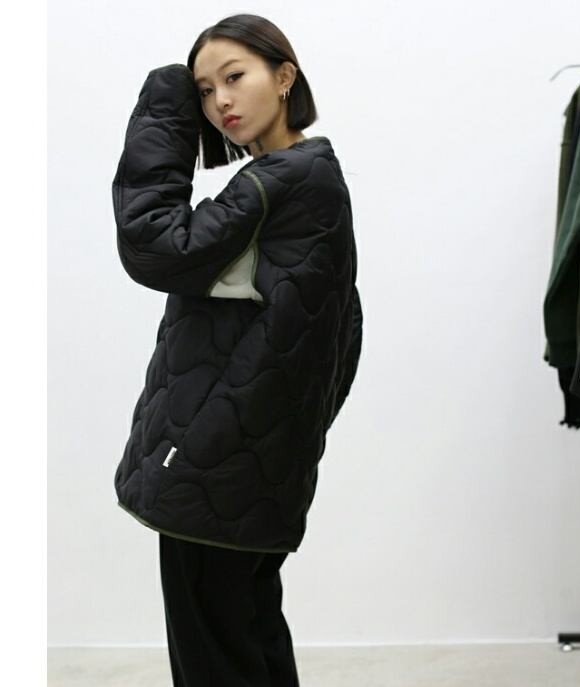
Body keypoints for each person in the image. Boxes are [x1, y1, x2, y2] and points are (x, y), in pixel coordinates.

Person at [111, 13, 363, 687]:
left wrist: (163, 99)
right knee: (248, 637)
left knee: (215, 657)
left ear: (284, 77)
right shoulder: (304, 179)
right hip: (247, 465)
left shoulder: (286, 179)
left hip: (218, 467)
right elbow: (342, 331)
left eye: (234, 77)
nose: (219, 101)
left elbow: (157, 244)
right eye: (201, 90)